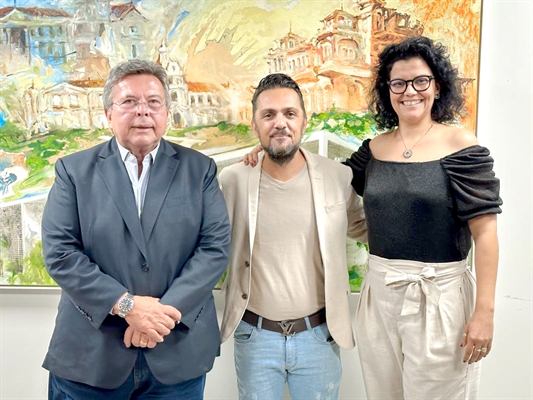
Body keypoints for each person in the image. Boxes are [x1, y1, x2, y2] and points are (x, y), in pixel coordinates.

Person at [244, 36, 502, 399]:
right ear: (387, 90)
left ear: (437, 86)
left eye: (420, 81)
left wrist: (484, 313)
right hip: (379, 295)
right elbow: (325, 180)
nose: (409, 91)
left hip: (440, 297)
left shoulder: (462, 147)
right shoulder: (374, 150)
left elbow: (486, 235)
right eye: (398, 83)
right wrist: (270, 147)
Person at [41, 59, 231, 399]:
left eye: (154, 102)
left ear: (167, 113)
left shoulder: (199, 170)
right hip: (90, 358)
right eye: (129, 102)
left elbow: (213, 249)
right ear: (108, 114)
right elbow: (60, 253)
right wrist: (129, 307)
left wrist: (158, 317)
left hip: (175, 353)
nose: (142, 111)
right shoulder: (72, 171)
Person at [219, 73, 367, 400]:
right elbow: (205, 242)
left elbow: (369, 230)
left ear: (304, 119)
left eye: (289, 113)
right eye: (268, 115)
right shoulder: (233, 180)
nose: (280, 123)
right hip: (255, 339)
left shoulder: (337, 176)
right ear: (254, 125)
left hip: (319, 337)